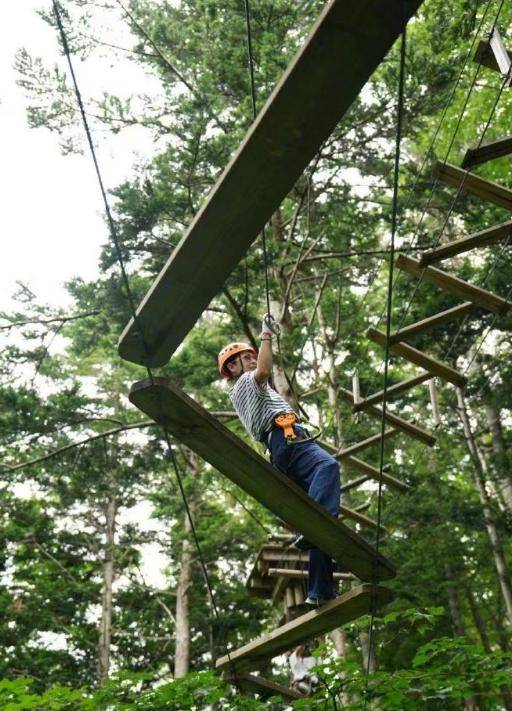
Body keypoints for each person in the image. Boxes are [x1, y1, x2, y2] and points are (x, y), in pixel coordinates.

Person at [217, 315, 341, 605]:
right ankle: (315, 530)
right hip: (285, 436)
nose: (251, 360)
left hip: (280, 446)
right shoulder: (246, 383)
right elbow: (263, 369)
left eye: (251, 356)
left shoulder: (250, 393)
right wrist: (265, 336)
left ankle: (319, 591)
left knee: (316, 517)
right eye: (244, 358)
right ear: (232, 368)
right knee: (327, 466)